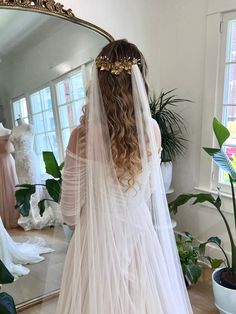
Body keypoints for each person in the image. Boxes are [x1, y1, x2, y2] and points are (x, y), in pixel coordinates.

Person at [56, 39, 193, 314]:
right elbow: (150, 191)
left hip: (94, 246)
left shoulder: (80, 137)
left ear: (98, 84)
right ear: (139, 83)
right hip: (139, 237)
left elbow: (69, 212)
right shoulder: (152, 131)